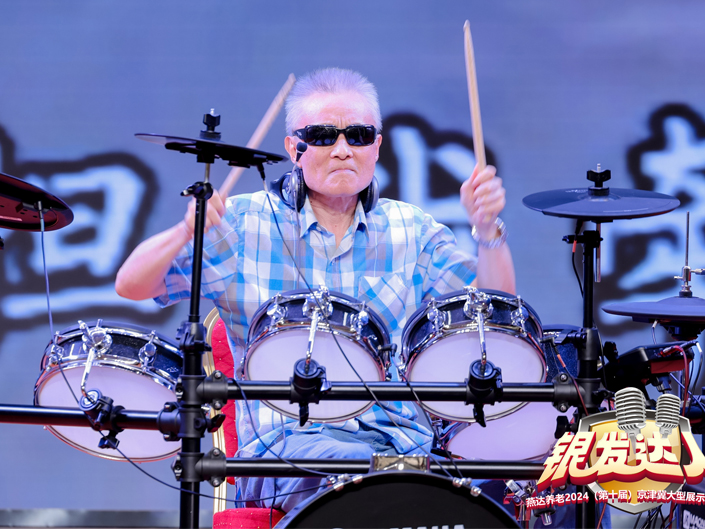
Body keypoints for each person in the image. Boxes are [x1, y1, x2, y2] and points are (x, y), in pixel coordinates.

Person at [115, 68, 516, 513]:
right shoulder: (242, 224)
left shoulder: (412, 229)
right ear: (294, 148)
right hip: (286, 449)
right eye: (323, 136)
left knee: (501, 489)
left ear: (377, 146)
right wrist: (184, 230)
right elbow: (132, 285)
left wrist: (487, 230)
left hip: (400, 444)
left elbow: (495, 315)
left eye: (359, 135)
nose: (343, 149)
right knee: (367, 480)